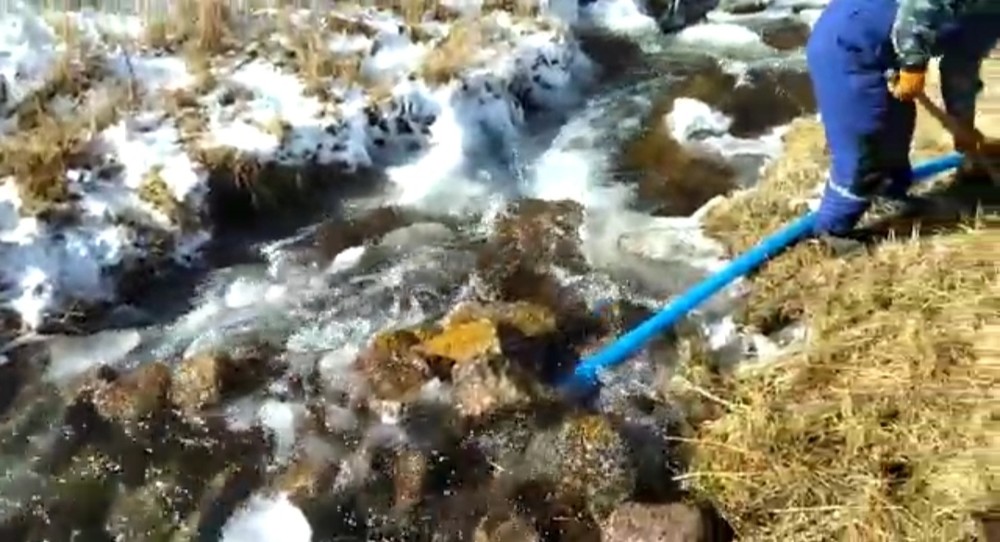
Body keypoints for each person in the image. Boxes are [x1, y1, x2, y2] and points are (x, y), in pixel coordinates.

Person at [805, 0, 1000, 252]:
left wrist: (962, 121)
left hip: (888, 52)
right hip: (848, 44)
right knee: (867, 148)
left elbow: (962, 62)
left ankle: (889, 199)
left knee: (896, 134)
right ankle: (831, 231)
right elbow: (916, 12)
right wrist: (913, 64)